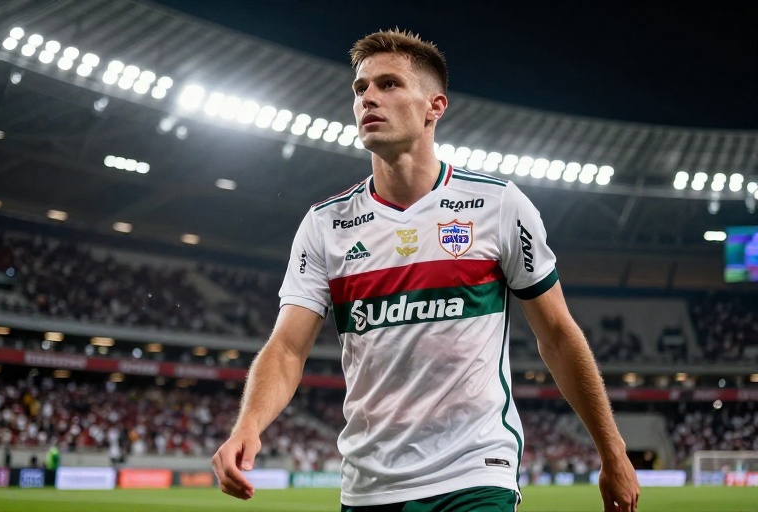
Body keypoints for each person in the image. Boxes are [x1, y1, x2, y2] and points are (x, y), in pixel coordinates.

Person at [212, 28, 640, 512]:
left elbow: (558, 335)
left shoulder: (498, 205)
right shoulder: (325, 224)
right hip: (370, 485)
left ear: (434, 107)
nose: (368, 97)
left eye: (389, 84)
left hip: (476, 473)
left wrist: (612, 451)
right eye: (360, 88)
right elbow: (288, 348)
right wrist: (247, 425)